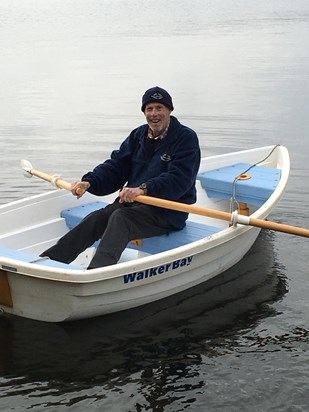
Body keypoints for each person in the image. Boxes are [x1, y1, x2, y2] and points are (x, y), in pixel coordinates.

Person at [40, 86, 201, 269]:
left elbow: (179, 179)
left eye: (159, 107)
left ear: (169, 110)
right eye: (149, 109)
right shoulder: (138, 135)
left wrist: (144, 189)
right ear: (144, 112)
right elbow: (116, 167)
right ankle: (48, 262)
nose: (154, 113)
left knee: (121, 218)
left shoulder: (186, 138)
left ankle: (96, 272)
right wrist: (90, 182)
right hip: (134, 204)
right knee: (96, 218)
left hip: (167, 211)